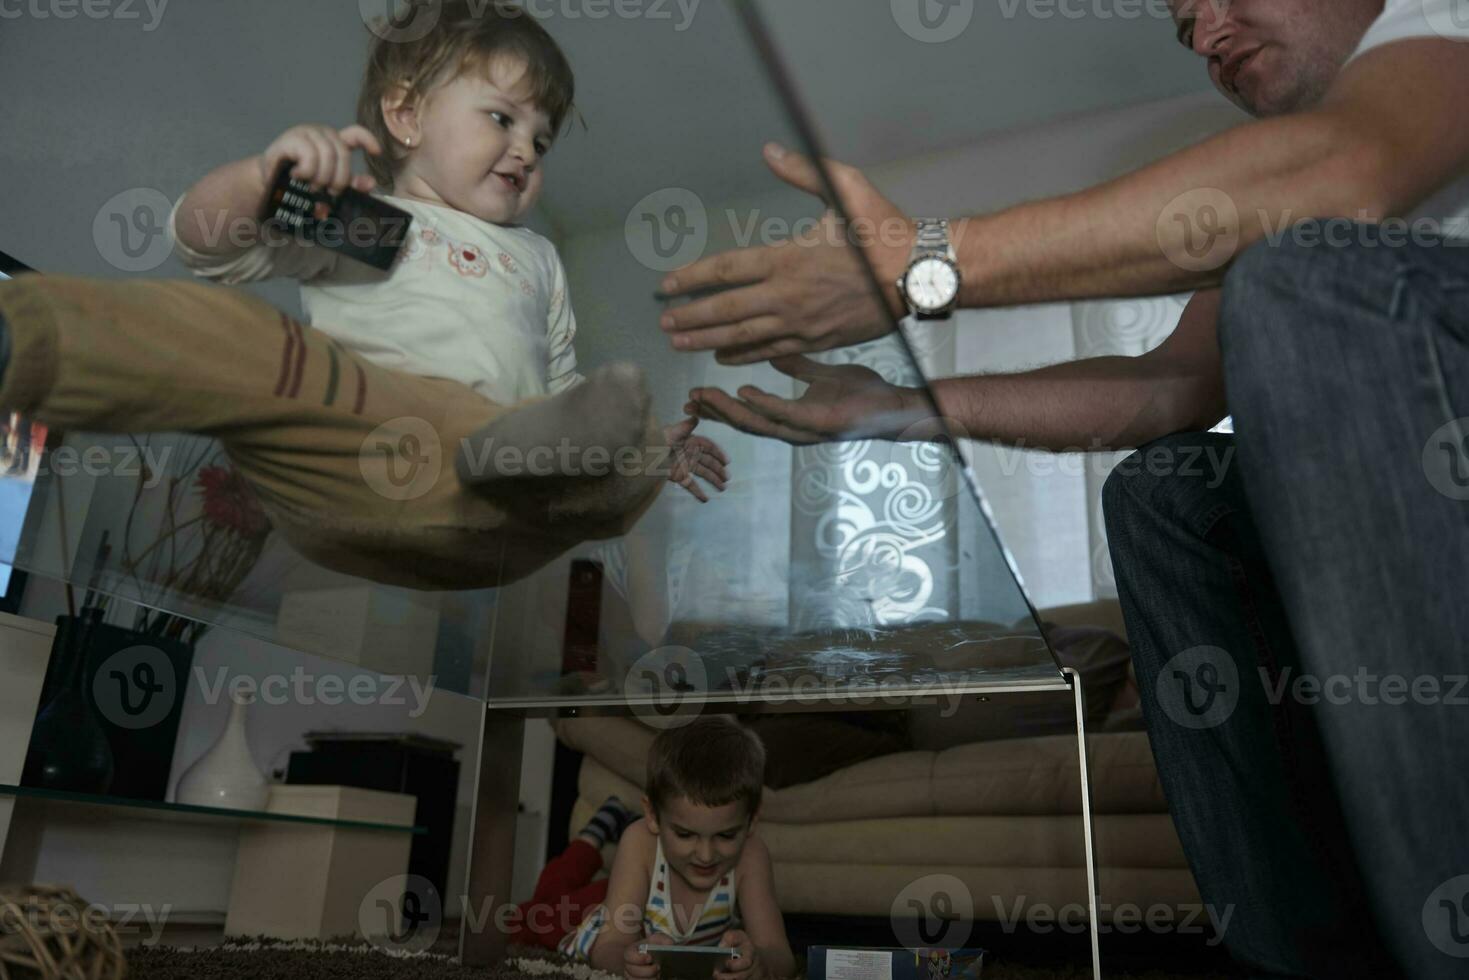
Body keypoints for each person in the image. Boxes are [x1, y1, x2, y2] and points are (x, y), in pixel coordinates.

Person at [659, 1, 1469, 977]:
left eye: (1215, 0)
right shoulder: (1291, 181)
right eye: (1183, 31)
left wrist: (924, 260)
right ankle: (1304, 955)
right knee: (1165, 488)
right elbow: (1167, 390)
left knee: (1301, 266)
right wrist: (897, 409)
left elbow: (1350, 165)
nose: (1205, 38)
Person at [0, 0, 728, 592]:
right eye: (503, 119)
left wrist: (648, 446)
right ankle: (31, 341)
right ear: (406, 116)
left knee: (592, 435)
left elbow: (563, 388)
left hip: (499, 497)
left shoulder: (539, 256)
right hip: (363, 451)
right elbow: (202, 241)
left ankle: (599, 468)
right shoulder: (365, 217)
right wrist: (265, 178)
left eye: (542, 140)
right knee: (245, 338)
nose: (525, 151)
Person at [509, 716, 795, 980]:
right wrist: (626, 963)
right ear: (652, 816)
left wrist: (760, 966)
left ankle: (601, 827)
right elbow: (609, 946)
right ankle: (593, 834)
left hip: (628, 895)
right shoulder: (639, 841)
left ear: (751, 821)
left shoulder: (751, 853)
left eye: (726, 835)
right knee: (536, 913)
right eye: (685, 834)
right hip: (590, 916)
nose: (706, 855)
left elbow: (779, 955)